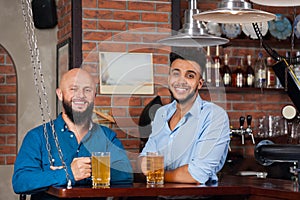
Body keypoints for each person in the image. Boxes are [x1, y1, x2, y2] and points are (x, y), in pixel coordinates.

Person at [12, 68, 133, 199]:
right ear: (60, 94)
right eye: (73, 89)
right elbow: (21, 182)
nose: (80, 95)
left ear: (94, 96)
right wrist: (68, 174)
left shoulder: (108, 136)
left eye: (87, 90)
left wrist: (85, 171)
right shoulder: (37, 136)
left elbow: (126, 175)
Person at [139, 50, 230, 185]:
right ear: (169, 78)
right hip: (160, 195)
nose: (181, 81)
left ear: (199, 83)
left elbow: (195, 175)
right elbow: (144, 159)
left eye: (190, 75)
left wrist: (156, 174)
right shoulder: (161, 113)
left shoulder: (214, 116)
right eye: (176, 73)